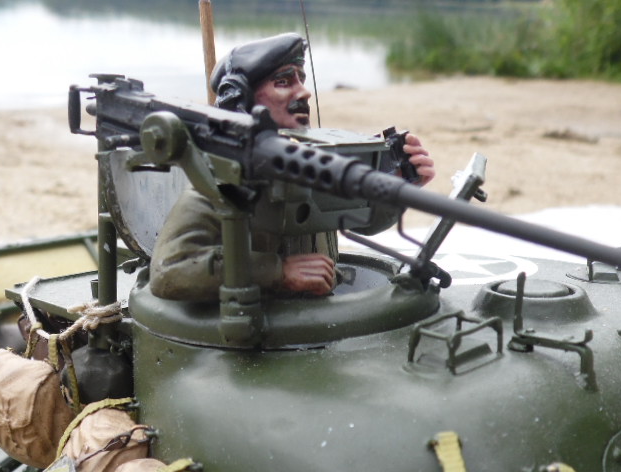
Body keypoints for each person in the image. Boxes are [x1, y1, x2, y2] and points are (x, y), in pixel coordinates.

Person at [149, 33, 435, 303]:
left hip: (320, 316)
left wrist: (397, 185)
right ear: (246, 100)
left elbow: (362, 219)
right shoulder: (219, 182)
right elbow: (169, 271)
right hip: (258, 326)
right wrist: (278, 271)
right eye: (284, 82)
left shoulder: (309, 159)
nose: (305, 92)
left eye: (301, 79)